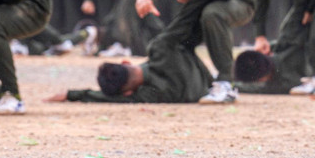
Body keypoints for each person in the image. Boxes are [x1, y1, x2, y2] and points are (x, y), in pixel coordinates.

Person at [52, 36, 213, 104]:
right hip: (215, 81)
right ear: (125, 61)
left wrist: (72, 95)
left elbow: (112, 99)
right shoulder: (163, 50)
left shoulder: (151, 95)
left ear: (127, 92)